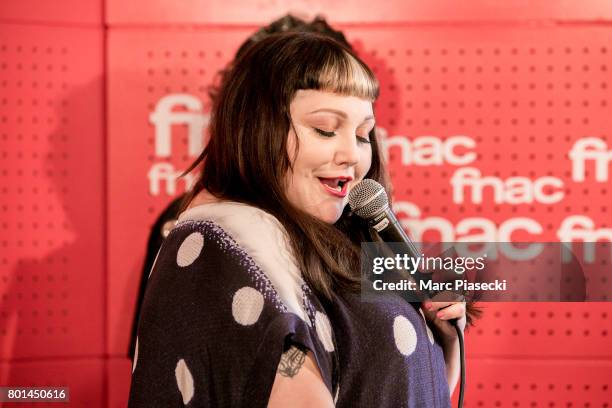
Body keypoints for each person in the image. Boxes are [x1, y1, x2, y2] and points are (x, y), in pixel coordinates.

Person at [129, 31, 477, 407]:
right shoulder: (225, 239)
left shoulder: (355, 229)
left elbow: (397, 389)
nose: (351, 155)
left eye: (363, 135)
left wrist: (440, 343)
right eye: (325, 129)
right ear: (257, 129)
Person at [128, 14, 355, 360]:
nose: (347, 151)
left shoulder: (367, 217)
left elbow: (414, 363)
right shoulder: (195, 223)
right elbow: (162, 365)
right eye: (323, 125)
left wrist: (443, 318)